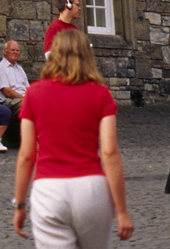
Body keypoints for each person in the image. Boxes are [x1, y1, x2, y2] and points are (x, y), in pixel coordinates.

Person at [12, 27, 134, 246]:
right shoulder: (100, 93)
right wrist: (122, 210)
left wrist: (19, 204)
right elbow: (109, 152)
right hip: (91, 189)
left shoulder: (33, 93)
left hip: (49, 189)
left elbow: (27, 155)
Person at [0, 39, 30, 114]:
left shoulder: (19, 69)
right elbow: (7, 92)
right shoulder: (0, 68)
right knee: (29, 105)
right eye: (13, 50)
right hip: (9, 101)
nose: (15, 53)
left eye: (17, 50)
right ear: (5, 51)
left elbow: (28, 87)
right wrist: (26, 99)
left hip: (23, 99)